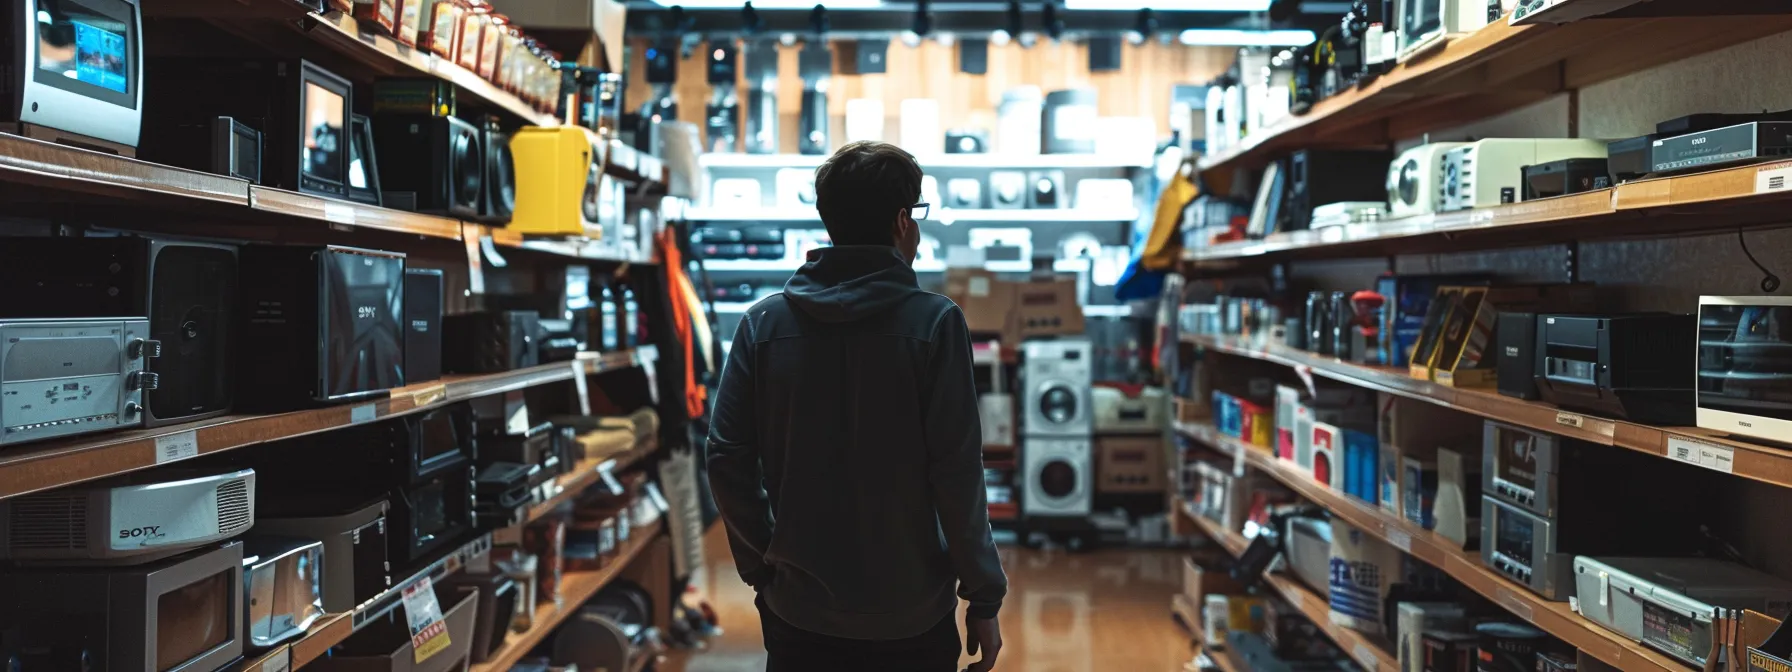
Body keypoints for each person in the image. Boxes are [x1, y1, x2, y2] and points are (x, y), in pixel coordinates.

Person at [706, 141, 1008, 672]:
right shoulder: (935, 324)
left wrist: (763, 565)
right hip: (911, 612)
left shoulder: (763, 324)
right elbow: (957, 472)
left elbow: (726, 458)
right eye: (915, 215)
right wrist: (983, 594)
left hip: (798, 608)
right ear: (900, 221)